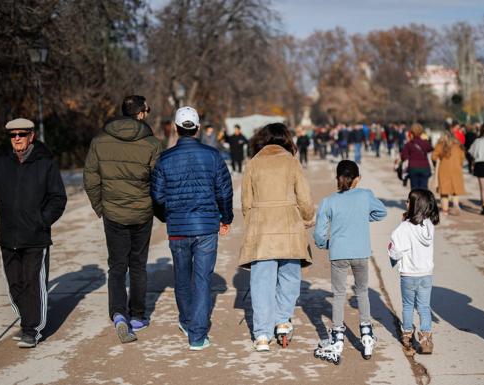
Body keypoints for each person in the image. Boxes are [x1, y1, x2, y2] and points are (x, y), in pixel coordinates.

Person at [0, 118, 67, 348]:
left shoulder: (45, 163)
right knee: (15, 285)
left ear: (31, 136)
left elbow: (58, 198)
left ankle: (31, 329)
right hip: (8, 236)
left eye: (21, 134)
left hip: (35, 237)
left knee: (32, 284)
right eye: (12, 135)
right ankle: (28, 319)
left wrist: (42, 220)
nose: (16, 138)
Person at [150, 106, 232, 350]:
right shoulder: (213, 155)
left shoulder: (164, 159)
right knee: (202, 280)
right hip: (206, 226)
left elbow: (156, 196)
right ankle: (197, 335)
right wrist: (225, 218)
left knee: (182, 278)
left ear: (176, 128)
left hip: (178, 227)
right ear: (197, 128)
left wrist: (166, 217)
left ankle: (187, 321)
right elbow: (224, 191)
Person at [84, 95, 162, 343]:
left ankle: (118, 314)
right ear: (141, 114)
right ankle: (137, 315)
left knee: (117, 266)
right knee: (138, 265)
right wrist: (156, 208)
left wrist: (101, 206)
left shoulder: (100, 141)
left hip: (114, 213)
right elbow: (158, 181)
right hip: (141, 212)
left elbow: (90, 178)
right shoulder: (151, 143)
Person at [239, 123, 314, 352]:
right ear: (286, 139)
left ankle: (262, 334)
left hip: (261, 228)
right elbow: (304, 196)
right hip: (289, 226)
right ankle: (282, 321)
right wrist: (308, 216)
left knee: (262, 282)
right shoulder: (291, 161)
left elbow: (246, 202)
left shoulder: (253, 164)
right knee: (290, 278)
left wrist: (252, 220)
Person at [313, 160, 387, 364]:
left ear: (337, 178)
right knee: (362, 292)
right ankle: (367, 334)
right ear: (357, 179)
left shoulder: (329, 201)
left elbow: (319, 232)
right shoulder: (365, 195)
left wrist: (324, 244)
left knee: (338, 294)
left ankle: (337, 338)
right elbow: (382, 212)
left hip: (338, 253)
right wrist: (362, 219)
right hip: (361, 252)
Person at [388, 189, 439, 356]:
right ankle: (426, 340)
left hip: (409, 274)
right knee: (424, 306)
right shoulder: (430, 226)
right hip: (426, 274)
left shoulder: (404, 227)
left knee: (408, 306)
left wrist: (391, 251)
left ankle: (407, 336)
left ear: (415, 205)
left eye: (408, 202)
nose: (406, 204)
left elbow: (396, 251)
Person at [431, 128, 466, 215]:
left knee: (444, 191)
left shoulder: (441, 145)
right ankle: (455, 204)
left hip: (444, 170)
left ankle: (445, 210)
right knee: (455, 189)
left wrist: (438, 159)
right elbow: (462, 158)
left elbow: (433, 157)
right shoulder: (458, 145)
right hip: (456, 169)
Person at [400, 123, 433, 190]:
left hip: (413, 167)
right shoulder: (425, 143)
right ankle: (423, 200)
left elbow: (404, 157)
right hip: (424, 167)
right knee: (424, 189)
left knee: (414, 189)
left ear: (411, 132)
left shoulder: (408, 144)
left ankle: (415, 200)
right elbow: (431, 150)